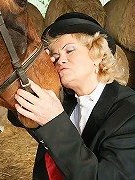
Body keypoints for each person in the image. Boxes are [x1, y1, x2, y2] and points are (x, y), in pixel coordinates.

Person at [8, 12, 135, 180]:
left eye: (69, 50)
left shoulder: (129, 113)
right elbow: (16, 116)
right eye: (54, 56)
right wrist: (39, 67)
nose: (60, 60)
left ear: (96, 54)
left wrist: (54, 122)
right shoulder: (64, 100)